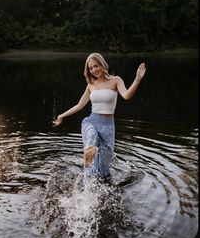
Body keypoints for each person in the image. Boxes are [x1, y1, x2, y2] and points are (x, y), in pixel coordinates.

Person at [53, 52, 146, 183]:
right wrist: (62, 115)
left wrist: (137, 79)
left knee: (103, 171)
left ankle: (97, 183)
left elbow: (126, 96)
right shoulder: (91, 85)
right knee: (91, 138)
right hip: (92, 121)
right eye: (90, 68)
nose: (94, 70)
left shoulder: (116, 80)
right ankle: (87, 167)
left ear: (102, 64)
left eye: (96, 66)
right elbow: (80, 105)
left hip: (108, 127)